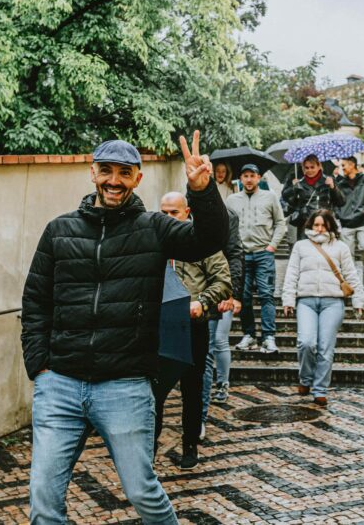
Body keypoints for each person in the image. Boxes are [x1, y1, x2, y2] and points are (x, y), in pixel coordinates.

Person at [21, 133, 226, 525]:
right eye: (106, 171)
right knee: (43, 497)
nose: (114, 180)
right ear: (92, 173)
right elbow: (35, 300)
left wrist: (202, 191)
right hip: (60, 383)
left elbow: (209, 239)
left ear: (137, 179)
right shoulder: (59, 230)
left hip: (125, 385)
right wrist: (40, 366)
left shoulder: (154, 228)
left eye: (124, 173)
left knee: (141, 491)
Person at [153, 192, 231, 470]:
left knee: (192, 388)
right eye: (163, 212)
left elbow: (223, 281)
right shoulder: (153, 240)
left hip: (192, 326)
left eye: (174, 212)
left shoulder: (202, 243)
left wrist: (202, 302)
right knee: (154, 391)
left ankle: (190, 444)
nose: (168, 217)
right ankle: (150, 446)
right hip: (159, 326)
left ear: (187, 212)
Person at [282, 209, 364, 406]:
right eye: (316, 225)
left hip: (332, 302)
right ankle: (305, 378)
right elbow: (292, 273)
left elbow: (351, 275)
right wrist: (288, 299)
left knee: (326, 348)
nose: (319, 229)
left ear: (330, 227)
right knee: (306, 343)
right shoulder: (301, 246)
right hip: (306, 301)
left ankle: (320, 389)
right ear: (310, 226)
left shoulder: (341, 247)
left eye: (323, 225)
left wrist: (358, 301)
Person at [225, 163, 287, 354]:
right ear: (240, 179)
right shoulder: (232, 200)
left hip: (263, 253)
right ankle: (249, 334)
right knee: (243, 296)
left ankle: (268, 337)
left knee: (266, 294)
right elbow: (226, 224)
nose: (249, 179)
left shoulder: (270, 197)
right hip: (241, 255)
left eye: (252, 175)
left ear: (259, 178)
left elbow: (280, 223)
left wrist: (272, 246)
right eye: (245, 176)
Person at [201, 206, 243, 437]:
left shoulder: (228, 216)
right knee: (208, 346)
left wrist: (232, 293)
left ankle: (222, 384)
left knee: (219, 340)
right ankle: (202, 400)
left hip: (223, 286)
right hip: (200, 289)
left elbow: (235, 254)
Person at [334, 157, 364, 283]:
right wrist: (339, 214)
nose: (342, 168)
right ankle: (351, 282)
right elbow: (335, 201)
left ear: (352, 165)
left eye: (343, 165)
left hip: (362, 220)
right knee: (347, 254)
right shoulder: (340, 183)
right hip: (346, 223)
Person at [282, 154, 346, 240]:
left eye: (312, 167)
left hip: (325, 223)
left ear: (319, 166)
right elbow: (290, 201)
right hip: (305, 224)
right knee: (305, 248)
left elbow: (341, 202)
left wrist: (333, 187)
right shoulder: (299, 183)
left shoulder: (329, 180)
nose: (309, 170)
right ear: (303, 168)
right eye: (306, 168)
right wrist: (293, 188)